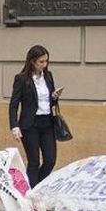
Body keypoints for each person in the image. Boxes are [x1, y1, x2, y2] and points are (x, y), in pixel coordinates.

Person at [7, 45, 64, 187]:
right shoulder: (21, 79)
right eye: (41, 62)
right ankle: (32, 195)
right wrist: (15, 126)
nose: (44, 65)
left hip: (47, 123)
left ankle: (34, 187)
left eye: (46, 61)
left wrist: (55, 96)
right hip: (30, 125)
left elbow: (50, 100)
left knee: (50, 160)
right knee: (34, 162)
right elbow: (13, 104)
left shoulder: (48, 76)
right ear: (32, 61)